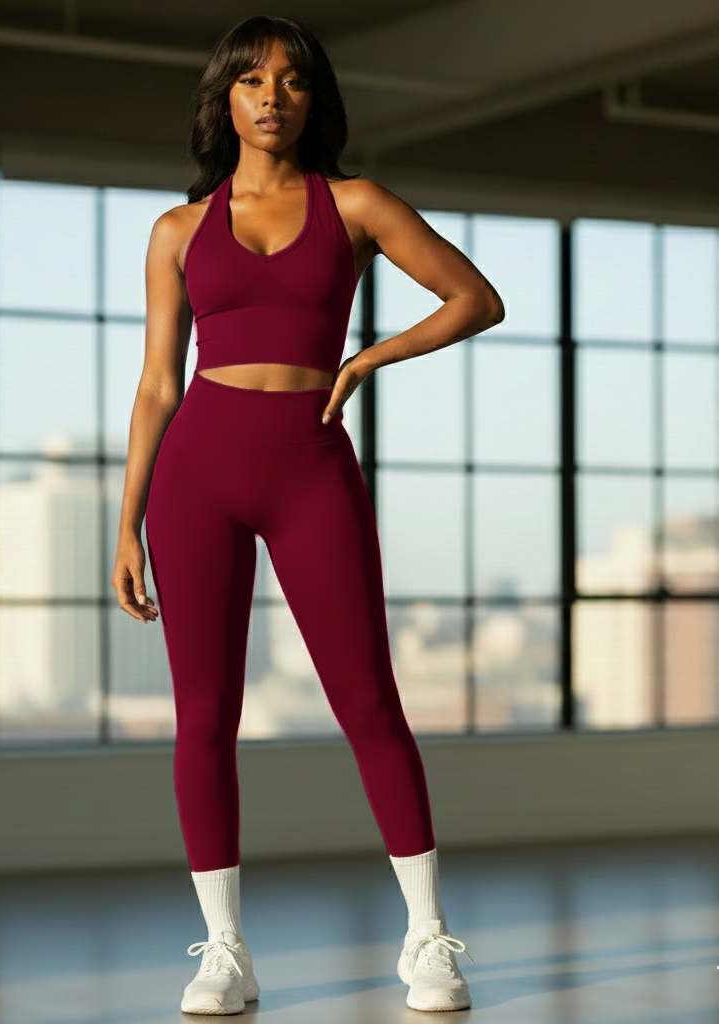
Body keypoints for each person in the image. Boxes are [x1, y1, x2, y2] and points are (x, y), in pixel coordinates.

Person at [111, 14, 504, 1016]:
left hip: (312, 466)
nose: (272, 96)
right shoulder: (177, 231)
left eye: (292, 80)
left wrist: (368, 357)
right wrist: (126, 521)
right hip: (195, 474)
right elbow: (157, 384)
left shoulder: (357, 204)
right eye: (253, 80)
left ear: (314, 97)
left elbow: (474, 298)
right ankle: (226, 951)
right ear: (226, 98)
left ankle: (427, 937)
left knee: (368, 699)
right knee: (204, 716)